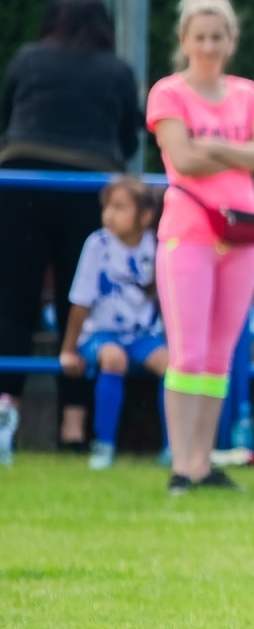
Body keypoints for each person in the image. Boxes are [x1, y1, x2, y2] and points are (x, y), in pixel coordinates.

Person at [147, 0, 254, 495]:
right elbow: (182, 158)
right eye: (199, 37)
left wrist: (217, 149)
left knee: (219, 353)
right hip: (189, 232)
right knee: (189, 350)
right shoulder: (168, 92)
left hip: (240, 232)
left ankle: (203, 461)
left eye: (216, 37)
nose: (208, 47)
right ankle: (182, 462)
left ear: (230, 41)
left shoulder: (246, 93)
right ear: (184, 40)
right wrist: (238, 153)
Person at [0, 0, 143, 448]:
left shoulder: (27, 58)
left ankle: (8, 413)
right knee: (81, 303)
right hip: (89, 189)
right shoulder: (115, 69)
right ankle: (74, 425)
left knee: (13, 302)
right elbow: (127, 136)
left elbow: (6, 121)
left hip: (19, 183)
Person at [58, 175, 166, 470]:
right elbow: (80, 302)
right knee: (114, 358)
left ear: (145, 216)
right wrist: (69, 349)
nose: (109, 214)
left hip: (144, 336)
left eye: (119, 207)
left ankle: (173, 449)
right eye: (107, 206)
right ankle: (104, 445)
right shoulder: (96, 244)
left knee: (173, 365)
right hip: (101, 335)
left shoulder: (158, 245)